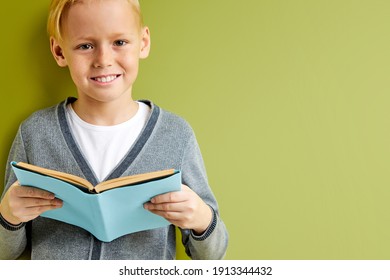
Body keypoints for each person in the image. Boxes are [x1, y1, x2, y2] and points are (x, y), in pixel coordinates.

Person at [0, 0, 228, 260]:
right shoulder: (35, 133)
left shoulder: (176, 135)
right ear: (60, 52)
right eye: (85, 46)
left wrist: (201, 218)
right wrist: (8, 216)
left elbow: (212, 255)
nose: (103, 60)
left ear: (143, 42)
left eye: (119, 42)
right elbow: (6, 252)